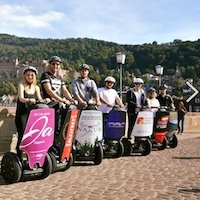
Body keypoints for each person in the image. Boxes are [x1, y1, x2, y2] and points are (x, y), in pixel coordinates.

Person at [40, 55, 76, 133]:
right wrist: (62, 100)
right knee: (59, 108)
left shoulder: (60, 77)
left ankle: (63, 133)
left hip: (59, 103)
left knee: (71, 108)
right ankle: (56, 134)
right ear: (50, 64)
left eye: (57, 64)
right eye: (53, 64)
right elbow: (49, 91)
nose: (55, 66)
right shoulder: (45, 75)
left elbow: (65, 90)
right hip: (50, 102)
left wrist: (71, 99)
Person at [15, 66, 43, 155]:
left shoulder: (36, 87)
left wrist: (45, 100)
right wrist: (28, 100)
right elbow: (21, 98)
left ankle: (30, 155)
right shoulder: (21, 85)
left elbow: (39, 99)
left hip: (32, 115)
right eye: (28, 75)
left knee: (33, 135)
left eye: (32, 75)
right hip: (22, 114)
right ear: (24, 76)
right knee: (23, 134)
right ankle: (19, 155)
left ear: (35, 76)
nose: (30, 77)